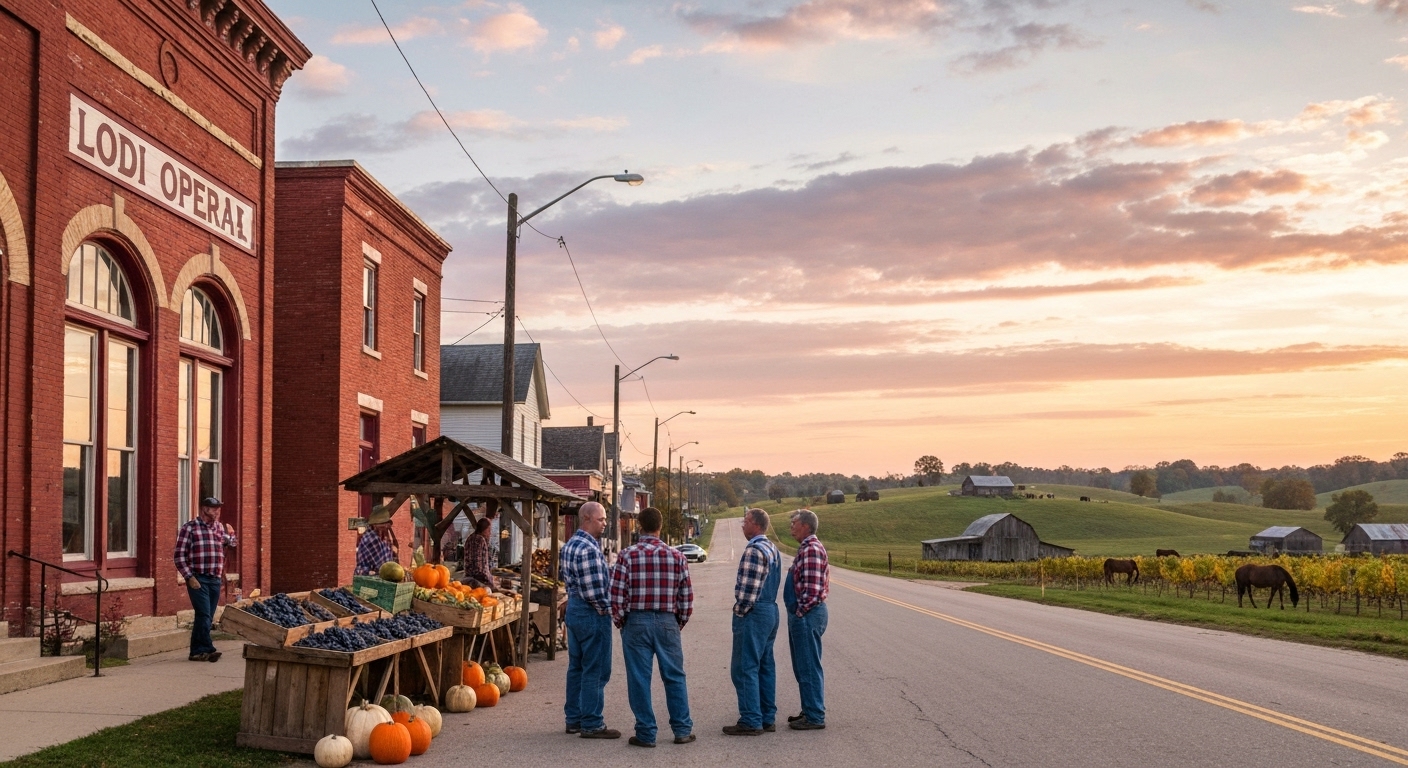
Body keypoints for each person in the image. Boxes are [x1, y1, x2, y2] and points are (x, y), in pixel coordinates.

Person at [609, 506, 695, 748]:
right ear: (660, 527)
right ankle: (682, 730)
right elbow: (686, 597)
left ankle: (646, 733)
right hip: (667, 620)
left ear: (639, 526)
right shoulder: (677, 556)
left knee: (639, 678)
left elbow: (616, 595)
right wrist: (678, 622)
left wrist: (621, 621)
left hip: (636, 620)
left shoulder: (627, 555)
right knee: (675, 676)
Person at [559, 502, 620, 740]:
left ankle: (573, 718)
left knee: (576, 667)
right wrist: (610, 612)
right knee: (596, 668)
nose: (605, 523)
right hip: (590, 612)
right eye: (601, 519)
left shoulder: (570, 546)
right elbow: (596, 591)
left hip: (574, 607)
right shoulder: (589, 549)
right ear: (586, 519)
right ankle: (592, 722)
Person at [724, 508, 783, 736]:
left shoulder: (754, 550)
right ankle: (767, 716)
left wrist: (740, 611)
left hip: (755, 612)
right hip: (770, 610)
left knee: (744, 667)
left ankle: (750, 719)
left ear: (756, 524)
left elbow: (748, 591)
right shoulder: (772, 548)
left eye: (745, 521)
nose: (742, 525)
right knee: (765, 666)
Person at [173, 497, 236, 662]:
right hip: (198, 578)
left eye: (219, 508)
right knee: (203, 614)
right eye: (213, 508)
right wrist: (189, 577)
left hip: (215, 578)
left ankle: (196, 652)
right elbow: (179, 556)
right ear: (204, 509)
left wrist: (231, 533)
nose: (217, 511)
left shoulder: (220, 528)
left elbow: (232, 545)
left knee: (207, 616)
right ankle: (207, 648)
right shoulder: (190, 528)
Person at [785, 509, 829, 730]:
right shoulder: (806, 548)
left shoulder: (811, 550)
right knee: (803, 666)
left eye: (794, 523)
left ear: (806, 526)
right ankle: (809, 708)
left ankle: (814, 716)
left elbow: (811, 593)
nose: (791, 526)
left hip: (808, 616)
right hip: (805, 615)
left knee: (809, 666)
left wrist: (799, 614)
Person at [353, 505, 398, 576]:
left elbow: (387, 561)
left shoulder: (383, 537)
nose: (386, 526)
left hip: (383, 575)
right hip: (368, 576)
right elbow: (377, 564)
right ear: (374, 525)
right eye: (382, 523)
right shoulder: (370, 538)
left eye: (386, 523)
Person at [462, 517, 496, 590]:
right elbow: (479, 567)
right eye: (488, 530)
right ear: (484, 529)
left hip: (468, 577)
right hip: (479, 581)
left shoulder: (470, 538)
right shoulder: (480, 540)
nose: (490, 533)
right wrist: (489, 580)